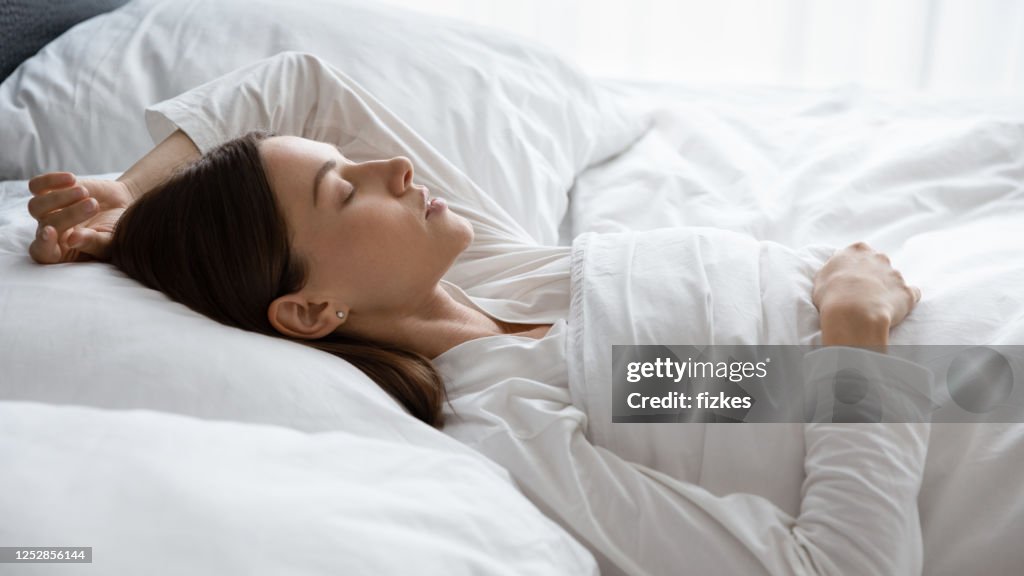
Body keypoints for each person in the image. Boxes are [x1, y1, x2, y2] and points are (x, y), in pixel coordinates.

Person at [25, 52, 929, 575]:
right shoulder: (521, 409)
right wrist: (858, 332)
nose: (393, 167)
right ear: (309, 311)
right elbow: (842, 565)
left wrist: (128, 195)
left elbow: (298, 83)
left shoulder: (504, 276)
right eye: (347, 189)